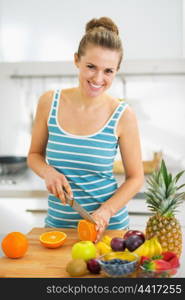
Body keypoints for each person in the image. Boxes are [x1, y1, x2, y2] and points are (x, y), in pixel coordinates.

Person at [27, 17, 144, 242]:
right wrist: (48, 172)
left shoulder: (123, 115)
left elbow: (135, 178)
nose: (98, 78)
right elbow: (34, 156)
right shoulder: (49, 102)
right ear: (76, 61)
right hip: (59, 229)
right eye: (91, 66)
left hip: (107, 231)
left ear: (116, 71)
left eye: (108, 71)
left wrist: (106, 211)